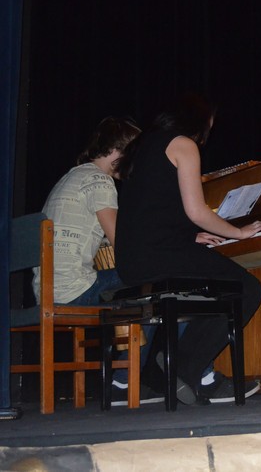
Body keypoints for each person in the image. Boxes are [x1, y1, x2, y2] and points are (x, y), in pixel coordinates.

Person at [114, 93, 261, 405]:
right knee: (247, 289)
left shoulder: (143, 147)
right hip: (158, 254)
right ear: (200, 120)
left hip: (133, 258)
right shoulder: (183, 144)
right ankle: (183, 369)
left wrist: (190, 236)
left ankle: (163, 376)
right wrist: (238, 231)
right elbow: (197, 211)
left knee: (213, 288)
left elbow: (152, 207)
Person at [30, 116, 165, 404]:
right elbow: (123, 245)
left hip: (49, 290)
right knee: (159, 282)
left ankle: (133, 375)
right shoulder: (100, 181)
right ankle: (132, 380)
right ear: (120, 151)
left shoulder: (72, 177)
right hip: (74, 291)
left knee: (138, 288)